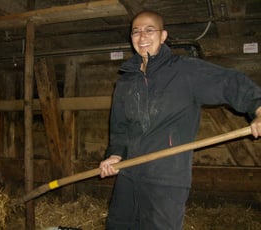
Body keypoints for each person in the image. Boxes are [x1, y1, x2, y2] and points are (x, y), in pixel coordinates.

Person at [99, 10, 261, 229]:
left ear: (163, 35)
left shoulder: (185, 71)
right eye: (136, 32)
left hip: (166, 179)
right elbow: (119, 128)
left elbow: (231, 82)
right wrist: (115, 155)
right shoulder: (126, 81)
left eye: (149, 30)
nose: (142, 36)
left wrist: (258, 108)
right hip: (129, 175)